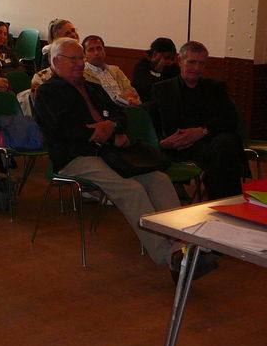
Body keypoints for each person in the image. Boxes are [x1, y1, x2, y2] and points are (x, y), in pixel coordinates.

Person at [33, 38, 216, 278]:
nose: (80, 64)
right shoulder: (48, 92)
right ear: (56, 61)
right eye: (74, 59)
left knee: (159, 179)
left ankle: (184, 241)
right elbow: (67, 131)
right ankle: (169, 257)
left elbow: (122, 115)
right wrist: (108, 135)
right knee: (131, 189)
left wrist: (111, 126)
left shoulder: (92, 87)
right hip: (76, 158)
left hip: (111, 153)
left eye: (81, 58)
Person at [151, 41, 246, 200]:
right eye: (192, 62)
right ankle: (226, 203)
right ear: (180, 61)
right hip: (180, 147)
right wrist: (162, 143)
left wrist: (202, 131)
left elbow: (230, 120)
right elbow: (152, 125)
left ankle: (221, 202)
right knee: (225, 151)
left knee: (226, 144)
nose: (197, 68)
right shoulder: (162, 89)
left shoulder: (215, 88)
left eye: (201, 63)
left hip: (210, 141)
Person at [81, 35, 141, 106]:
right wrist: (119, 99)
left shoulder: (116, 70)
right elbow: (94, 101)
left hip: (127, 109)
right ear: (84, 54)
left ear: (104, 51)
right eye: (91, 50)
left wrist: (132, 100)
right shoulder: (83, 73)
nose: (96, 53)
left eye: (99, 48)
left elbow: (132, 92)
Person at [32, 19, 79, 91]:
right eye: (67, 33)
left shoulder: (81, 51)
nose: (73, 35)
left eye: (73, 30)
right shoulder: (48, 56)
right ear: (57, 39)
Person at [131, 37, 180, 104]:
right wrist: (157, 72)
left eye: (172, 59)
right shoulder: (142, 66)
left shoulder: (173, 68)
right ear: (155, 54)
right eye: (167, 58)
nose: (170, 62)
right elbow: (145, 88)